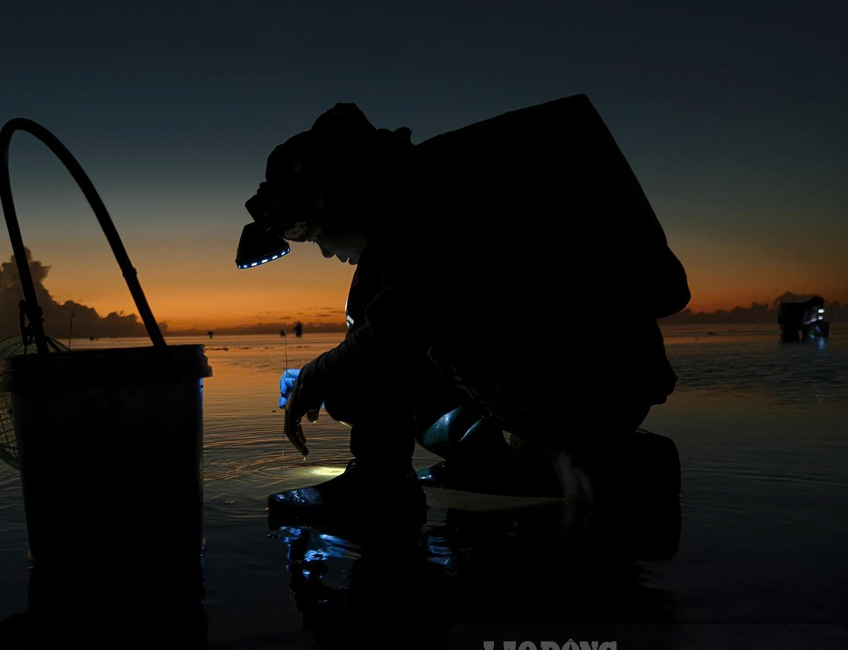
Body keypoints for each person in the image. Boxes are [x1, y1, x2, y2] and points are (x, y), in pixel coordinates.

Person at [235, 95, 690, 522]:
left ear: (337, 196)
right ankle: (508, 461)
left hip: (582, 389)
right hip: (611, 387)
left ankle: (382, 481)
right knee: (362, 357)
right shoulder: (450, 190)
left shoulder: (424, 213)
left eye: (314, 235)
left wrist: (318, 375)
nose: (326, 252)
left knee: (354, 374)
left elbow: (393, 331)